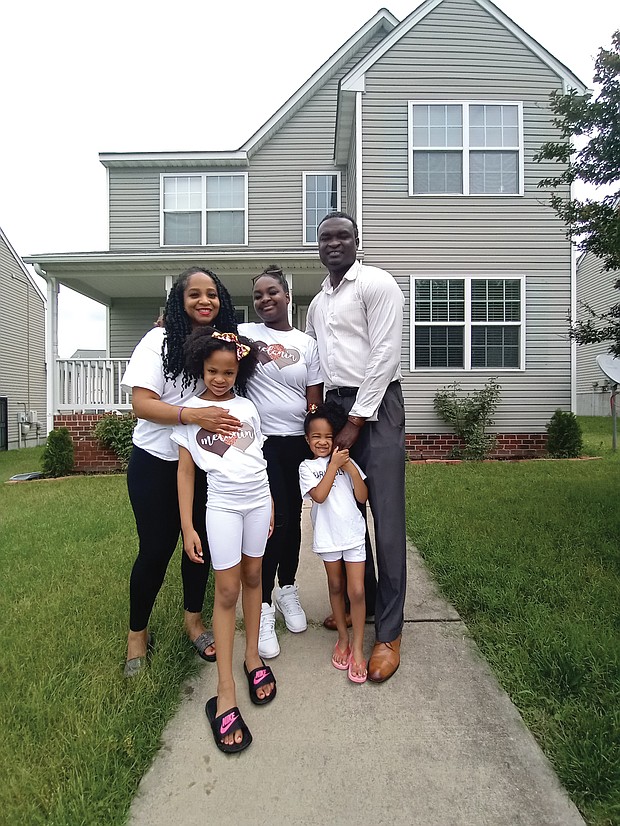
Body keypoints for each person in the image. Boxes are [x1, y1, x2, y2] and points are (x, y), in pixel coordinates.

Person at [121, 267, 242, 677]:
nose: (204, 301)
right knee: (155, 550)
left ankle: (194, 621)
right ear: (180, 301)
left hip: (205, 466)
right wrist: (192, 416)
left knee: (199, 547)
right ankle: (137, 633)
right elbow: (142, 403)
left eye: (212, 293)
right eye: (194, 294)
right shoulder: (158, 341)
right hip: (156, 463)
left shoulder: (222, 345)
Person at [306, 212, 407, 684]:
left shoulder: (378, 284)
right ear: (318, 244)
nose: (333, 243)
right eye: (325, 237)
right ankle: (354, 605)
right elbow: (318, 360)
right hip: (336, 404)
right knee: (345, 510)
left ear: (357, 241)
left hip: (377, 405)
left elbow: (385, 355)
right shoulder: (316, 303)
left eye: (342, 235)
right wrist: (324, 413)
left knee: (385, 518)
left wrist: (356, 420)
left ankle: (388, 633)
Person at [172, 327, 276, 754]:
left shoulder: (248, 407)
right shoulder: (190, 411)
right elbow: (185, 472)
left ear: (238, 370)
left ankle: (252, 658)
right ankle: (225, 688)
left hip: (258, 502)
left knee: (255, 577)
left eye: (228, 371)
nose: (220, 378)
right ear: (202, 367)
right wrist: (188, 527)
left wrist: (269, 503)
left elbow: (258, 458)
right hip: (222, 509)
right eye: (213, 370)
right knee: (228, 590)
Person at [238, 264, 323, 658]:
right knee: (275, 520)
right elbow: (207, 342)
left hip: (298, 444)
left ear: (287, 296)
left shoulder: (307, 343)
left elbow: (314, 394)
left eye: (272, 292)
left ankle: (288, 587)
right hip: (262, 445)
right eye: (258, 295)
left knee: (295, 519)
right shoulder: (245, 335)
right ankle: (265, 604)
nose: (265, 299)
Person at [299, 402, 368, 683]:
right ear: (307, 440)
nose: (323, 442)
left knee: (358, 591)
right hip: (328, 538)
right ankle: (343, 638)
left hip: (353, 534)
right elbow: (319, 496)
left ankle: (359, 648)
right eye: (316, 437)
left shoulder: (347, 462)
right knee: (336, 586)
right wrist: (333, 466)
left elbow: (362, 497)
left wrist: (349, 469)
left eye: (329, 436)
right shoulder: (307, 467)